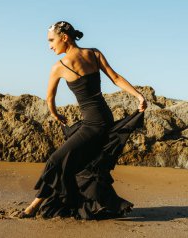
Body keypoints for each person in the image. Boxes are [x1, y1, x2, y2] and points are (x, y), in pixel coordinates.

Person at [19, 21, 147, 219]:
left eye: (51, 40)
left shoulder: (58, 67)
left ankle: (34, 206)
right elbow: (115, 77)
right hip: (102, 118)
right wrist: (138, 96)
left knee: (56, 160)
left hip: (93, 125)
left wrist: (54, 114)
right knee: (73, 163)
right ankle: (38, 204)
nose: (49, 45)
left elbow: (50, 98)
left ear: (64, 37)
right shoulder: (94, 53)